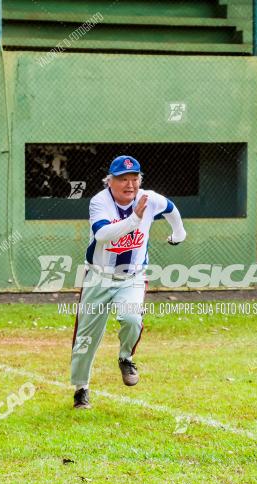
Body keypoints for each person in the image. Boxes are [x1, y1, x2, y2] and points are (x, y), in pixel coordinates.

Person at [70, 155, 187, 409]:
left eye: (134, 178)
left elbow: (171, 208)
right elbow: (102, 234)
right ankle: (81, 388)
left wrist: (179, 233)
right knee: (86, 337)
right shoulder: (99, 202)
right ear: (110, 181)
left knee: (132, 319)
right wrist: (134, 219)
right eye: (123, 179)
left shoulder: (149, 199)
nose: (130, 184)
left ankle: (126, 357)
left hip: (132, 277)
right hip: (98, 277)